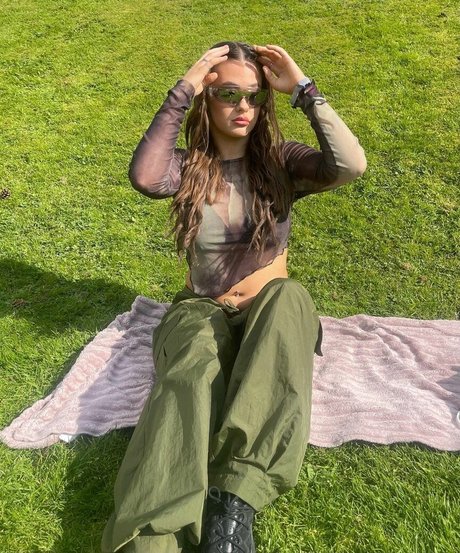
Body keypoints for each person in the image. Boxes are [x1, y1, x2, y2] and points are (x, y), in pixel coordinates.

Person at [101, 41, 367, 553]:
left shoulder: (282, 162)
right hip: (202, 308)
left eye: (254, 96)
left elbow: (351, 165)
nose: (243, 106)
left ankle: (233, 504)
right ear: (207, 99)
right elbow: (145, 176)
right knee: (189, 376)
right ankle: (152, 537)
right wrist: (184, 88)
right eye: (227, 94)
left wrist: (304, 89)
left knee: (290, 298)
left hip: (268, 312)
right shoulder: (188, 168)